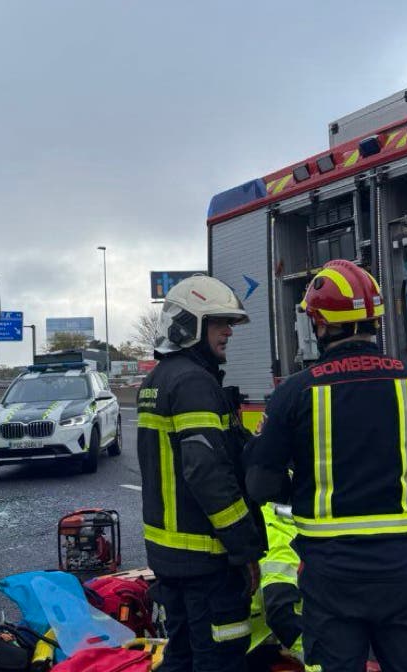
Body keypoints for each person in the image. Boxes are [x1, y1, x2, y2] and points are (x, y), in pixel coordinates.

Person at [246, 259, 407, 672]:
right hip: (402, 569)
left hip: (330, 576)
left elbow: (259, 483)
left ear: (321, 325)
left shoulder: (294, 394)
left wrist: (300, 489)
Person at [136, 274, 265, 672]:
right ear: (188, 326)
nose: (228, 331)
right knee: (221, 659)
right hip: (207, 560)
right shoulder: (194, 382)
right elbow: (207, 473)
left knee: (182, 657)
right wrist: (245, 549)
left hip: (172, 559)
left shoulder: (158, 379)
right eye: (218, 322)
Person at [248, 502, 304, 667]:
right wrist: (316, 658)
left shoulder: (264, 513)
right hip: (251, 648)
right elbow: (281, 611)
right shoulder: (281, 534)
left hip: (246, 637)